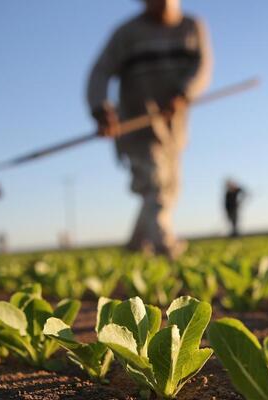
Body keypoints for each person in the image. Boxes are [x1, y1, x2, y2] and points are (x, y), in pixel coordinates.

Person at [87, 0, 212, 259]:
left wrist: (184, 93)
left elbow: (202, 67)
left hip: (173, 128)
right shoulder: (127, 33)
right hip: (137, 125)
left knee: (170, 189)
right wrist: (100, 108)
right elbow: (100, 72)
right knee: (154, 184)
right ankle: (165, 246)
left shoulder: (192, 27)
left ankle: (135, 245)